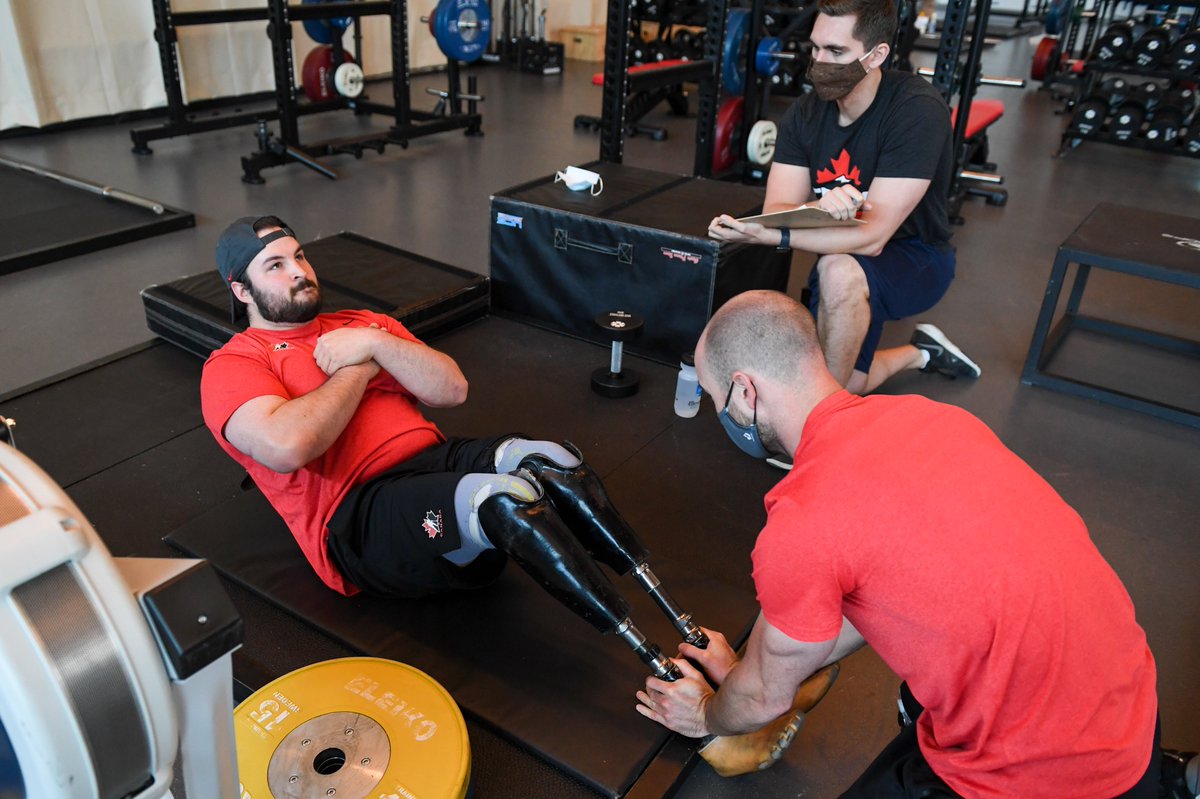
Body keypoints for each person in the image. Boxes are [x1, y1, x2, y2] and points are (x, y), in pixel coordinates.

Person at [635, 290, 1199, 798]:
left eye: (716, 399)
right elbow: (871, 591)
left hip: (1046, 774)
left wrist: (708, 713)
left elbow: (762, 702)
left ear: (746, 389)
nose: (720, 415)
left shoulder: (804, 517)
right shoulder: (933, 417)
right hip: (1127, 705)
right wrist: (755, 667)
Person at [198, 216, 653, 632]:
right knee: (501, 500)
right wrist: (361, 367)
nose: (298, 271)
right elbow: (289, 446)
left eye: (299, 256)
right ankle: (638, 644)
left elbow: (452, 389)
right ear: (242, 291)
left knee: (551, 461)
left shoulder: (362, 324)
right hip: (359, 511)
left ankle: (651, 586)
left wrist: (375, 340)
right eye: (274, 265)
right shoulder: (234, 363)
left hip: (436, 462)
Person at [708, 0, 979, 397]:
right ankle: (920, 353)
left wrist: (777, 236)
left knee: (837, 270)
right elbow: (776, 210)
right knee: (851, 383)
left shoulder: (915, 110)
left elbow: (873, 238)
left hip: (917, 258)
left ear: (877, 55)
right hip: (844, 255)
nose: (819, 62)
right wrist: (817, 209)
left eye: (836, 52)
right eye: (815, 48)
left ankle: (819, 427)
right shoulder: (805, 114)